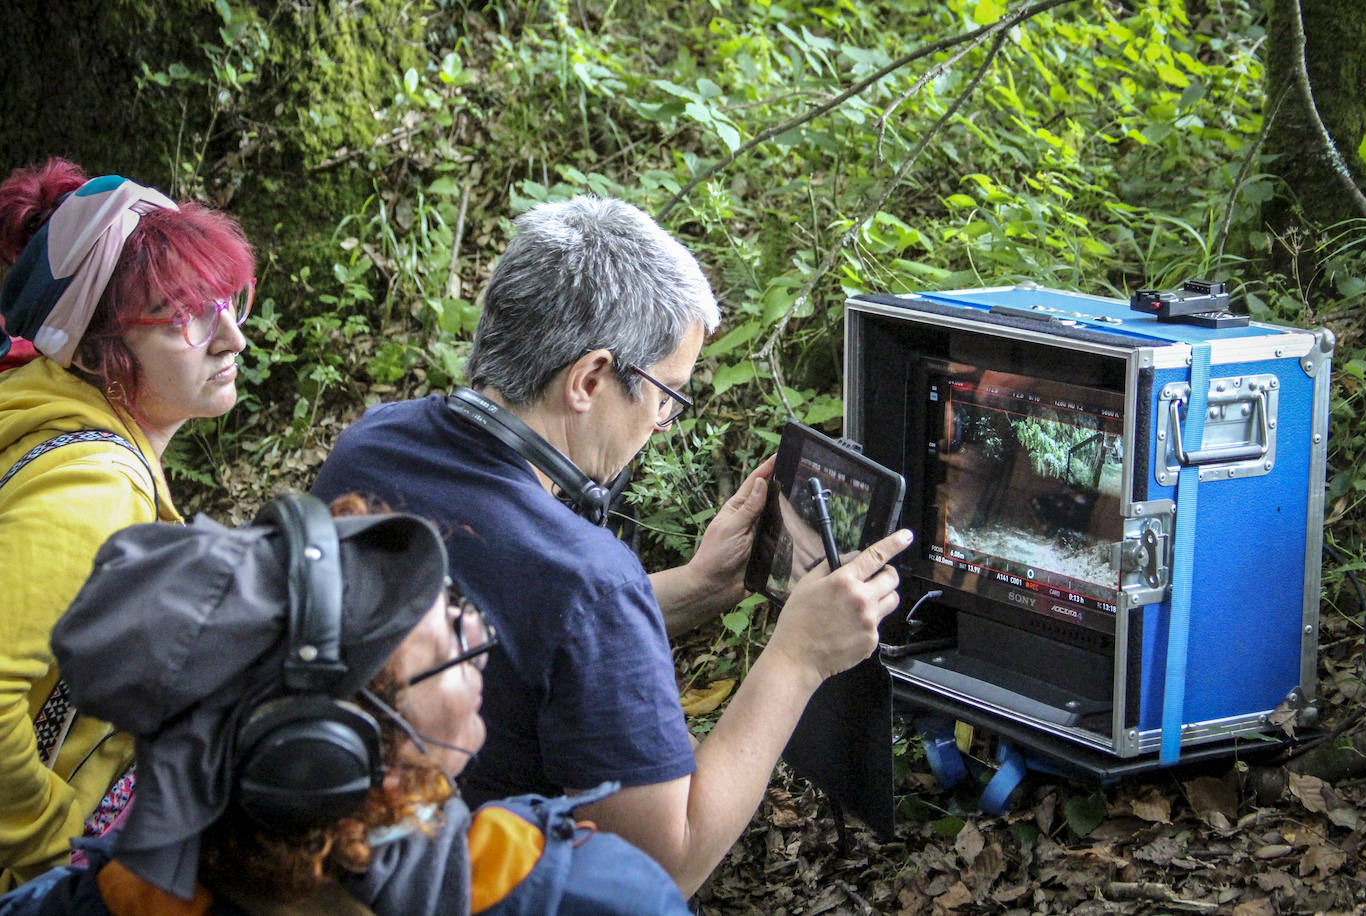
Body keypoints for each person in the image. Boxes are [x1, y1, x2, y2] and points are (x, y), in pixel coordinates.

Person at [311, 195, 912, 895]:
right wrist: (797, 658)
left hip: (330, 858)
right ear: (589, 379)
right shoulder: (588, 580)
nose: (663, 422)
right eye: (666, 393)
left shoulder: (373, 441)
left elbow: (521, 633)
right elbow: (663, 870)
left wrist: (697, 585)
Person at [0, 493, 690, 914]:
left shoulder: (94, 898)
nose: (480, 636)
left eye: (455, 602)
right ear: (336, 759)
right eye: (450, 641)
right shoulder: (586, 894)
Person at [0, 157, 255, 887]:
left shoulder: (41, 416)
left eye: (228, 300)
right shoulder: (92, 486)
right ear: (94, 350)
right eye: (184, 315)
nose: (232, 338)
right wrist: (59, 847)